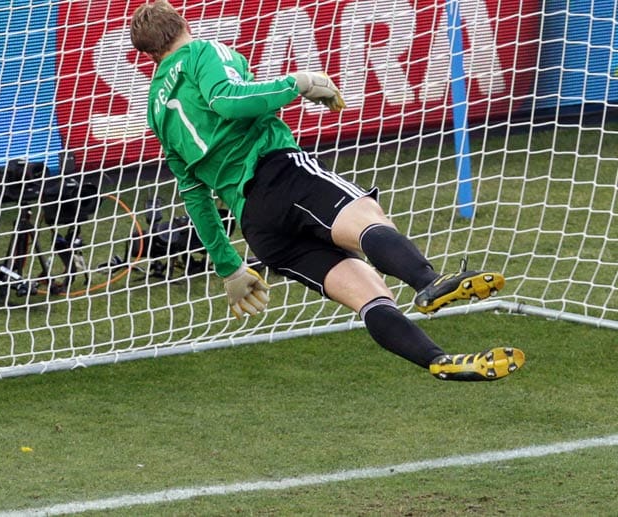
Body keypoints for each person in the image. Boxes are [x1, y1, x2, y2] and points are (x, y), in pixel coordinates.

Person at [129, 0, 525, 381]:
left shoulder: (155, 108)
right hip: (280, 173)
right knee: (366, 217)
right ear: (184, 24)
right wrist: (297, 83)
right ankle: (427, 281)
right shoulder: (203, 52)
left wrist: (228, 264)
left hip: (259, 226)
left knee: (369, 296)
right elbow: (228, 101)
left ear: (149, 55)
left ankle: (437, 360)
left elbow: (194, 193)